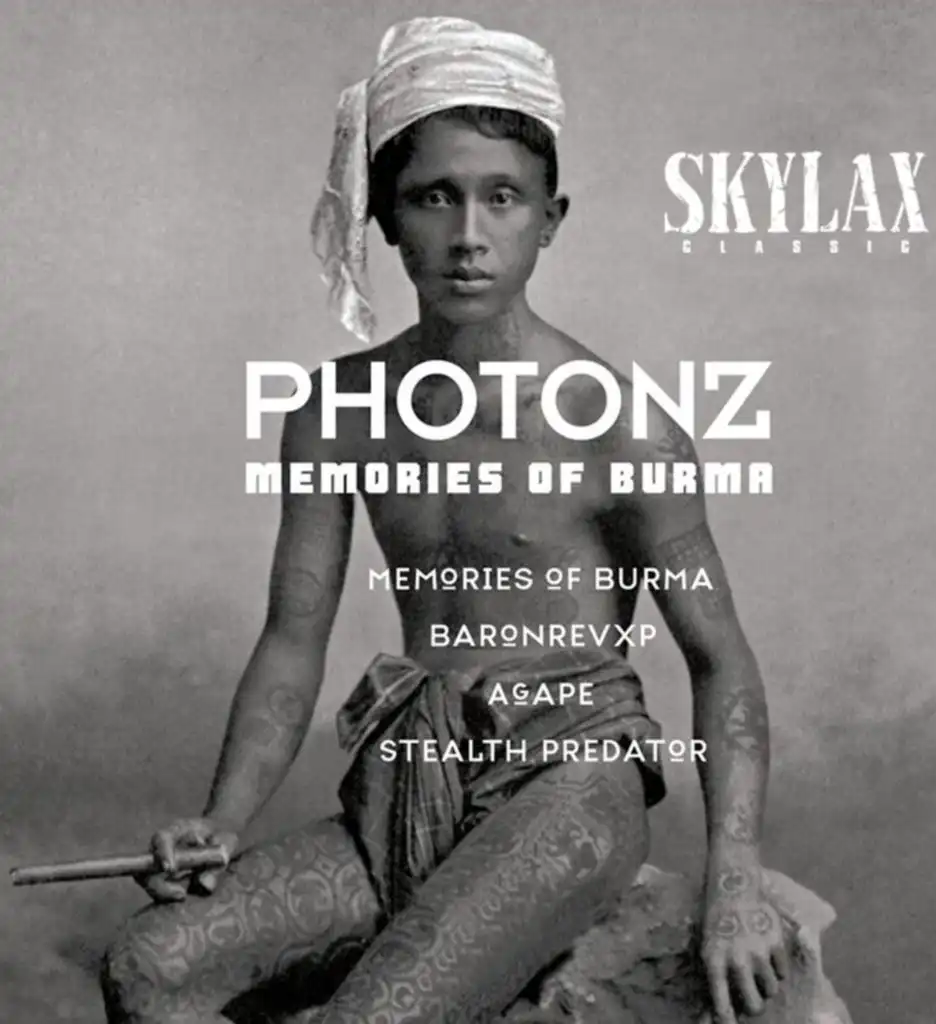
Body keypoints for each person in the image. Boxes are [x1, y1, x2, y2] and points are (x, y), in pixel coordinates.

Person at [101, 17, 788, 1024]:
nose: (469, 234)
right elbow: (292, 641)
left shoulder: (623, 427)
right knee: (147, 967)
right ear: (386, 217)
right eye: (434, 196)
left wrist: (735, 882)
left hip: (570, 788)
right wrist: (222, 817)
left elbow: (722, 660)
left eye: (502, 197)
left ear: (550, 219)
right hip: (403, 786)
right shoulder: (337, 411)